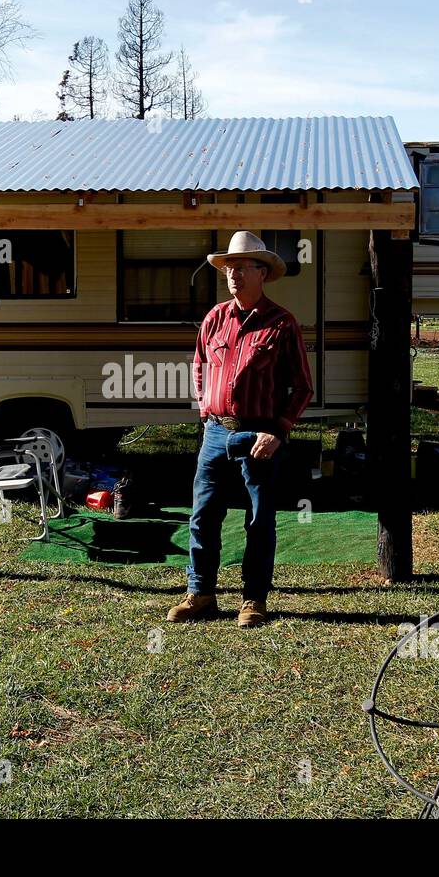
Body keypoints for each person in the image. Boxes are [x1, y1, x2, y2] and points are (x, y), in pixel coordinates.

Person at [167, 231, 314, 628]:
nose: (232, 274)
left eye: (241, 267)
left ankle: (253, 600)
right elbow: (198, 363)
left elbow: (302, 386)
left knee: (259, 520)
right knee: (202, 515)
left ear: (261, 272)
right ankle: (200, 594)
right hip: (215, 432)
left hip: (260, 435)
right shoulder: (215, 318)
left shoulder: (282, 324)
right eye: (229, 267)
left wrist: (278, 431)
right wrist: (204, 407)